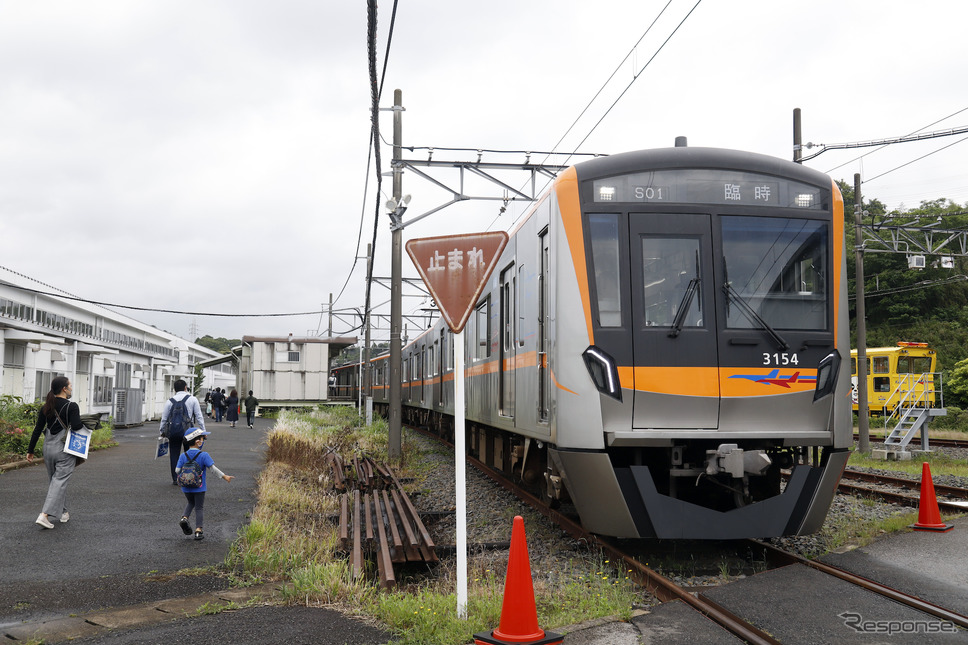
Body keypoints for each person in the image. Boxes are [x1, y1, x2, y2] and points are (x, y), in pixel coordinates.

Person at [26, 376, 85, 529]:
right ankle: (44, 515)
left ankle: (64, 512)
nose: (71, 387)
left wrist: (30, 450)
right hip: (64, 450)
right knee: (59, 482)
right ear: (64, 389)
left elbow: (37, 429)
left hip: (48, 449)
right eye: (70, 385)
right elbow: (77, 427)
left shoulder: (46, 406)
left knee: (56, 482)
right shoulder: (71, 406)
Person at [176, 428, 234, 540]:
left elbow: (177, 471)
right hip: (199, 487)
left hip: (186, 487)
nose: (203, 440)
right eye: (203, 438)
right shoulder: (204, 455)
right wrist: (224, 476)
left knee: (190, 502)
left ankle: (184, 518)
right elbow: (213, 469)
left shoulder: (183, 456)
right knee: (199, 508)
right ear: (198, 441)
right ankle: (198, 531)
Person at [158, 379, 205, 485]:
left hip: (173, 432)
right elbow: (199, 416)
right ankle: (190, 475)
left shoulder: (170, 401)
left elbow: (164, 418)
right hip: (189, 432)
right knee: (190, 453)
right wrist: (203, 431)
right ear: (185, 387)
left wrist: (162, 431)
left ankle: (176, 478)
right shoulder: (192, 399)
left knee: (174, 454)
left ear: (174, 389)